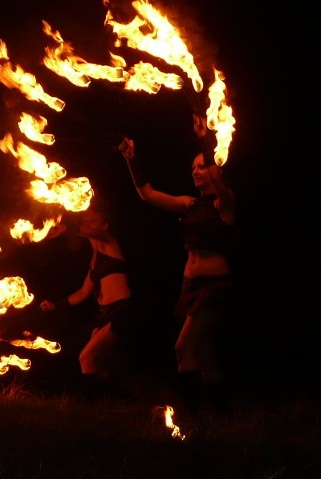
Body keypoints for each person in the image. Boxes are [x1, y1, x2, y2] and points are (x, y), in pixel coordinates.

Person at [118, 113, 238, 416]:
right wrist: (131, 159)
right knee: (205, 355)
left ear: (214, 171)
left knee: (183, 347)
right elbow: (147, 194)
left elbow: (216, 174)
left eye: (201, 167)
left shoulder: (225, 203)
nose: (195, 172)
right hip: (189, 287)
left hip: (214, 288)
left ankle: (190, 419)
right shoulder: (189, 204)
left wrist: (203, 137)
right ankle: (221, 420)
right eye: (193, 168)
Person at [40, 204, 136, 400]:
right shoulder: (94, 260)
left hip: (120, 310)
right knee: (98, 364)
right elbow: (83, 293)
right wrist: (56, 305)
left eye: (93, 220)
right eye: (86, 219)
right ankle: (121, 400)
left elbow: (87, 230)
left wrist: (61, 219)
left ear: (105, 226)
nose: (87, 221)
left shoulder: (111, 244)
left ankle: (93, 405)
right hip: (104, 313)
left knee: (86, 357)